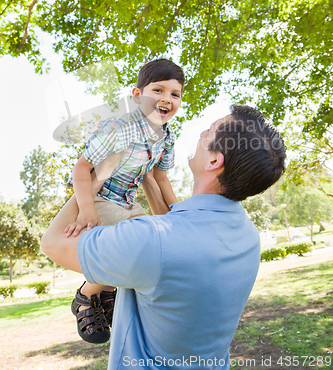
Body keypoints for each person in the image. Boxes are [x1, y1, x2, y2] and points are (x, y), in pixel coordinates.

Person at [41, 104, 286, 370]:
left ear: (215, 160)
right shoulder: (248, 236)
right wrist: (144, 169)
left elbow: (54, 243)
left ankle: (85, 298)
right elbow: (174, 220)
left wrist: (101, 171)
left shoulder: (154, 240)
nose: (201, 132)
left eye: (209, 130)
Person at [42, 58, 185, 344]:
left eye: (175, 94)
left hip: (128, 201)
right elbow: (82, 168)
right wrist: (87, 210)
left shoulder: (166, 138)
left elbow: (160, 178)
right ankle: (88, 295)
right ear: (137, 95)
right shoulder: (119, 128)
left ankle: (108, 291)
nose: (166, 99)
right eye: (158, 90)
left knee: (159, 247)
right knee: (129, 246)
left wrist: (180, 214)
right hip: (103, 197)